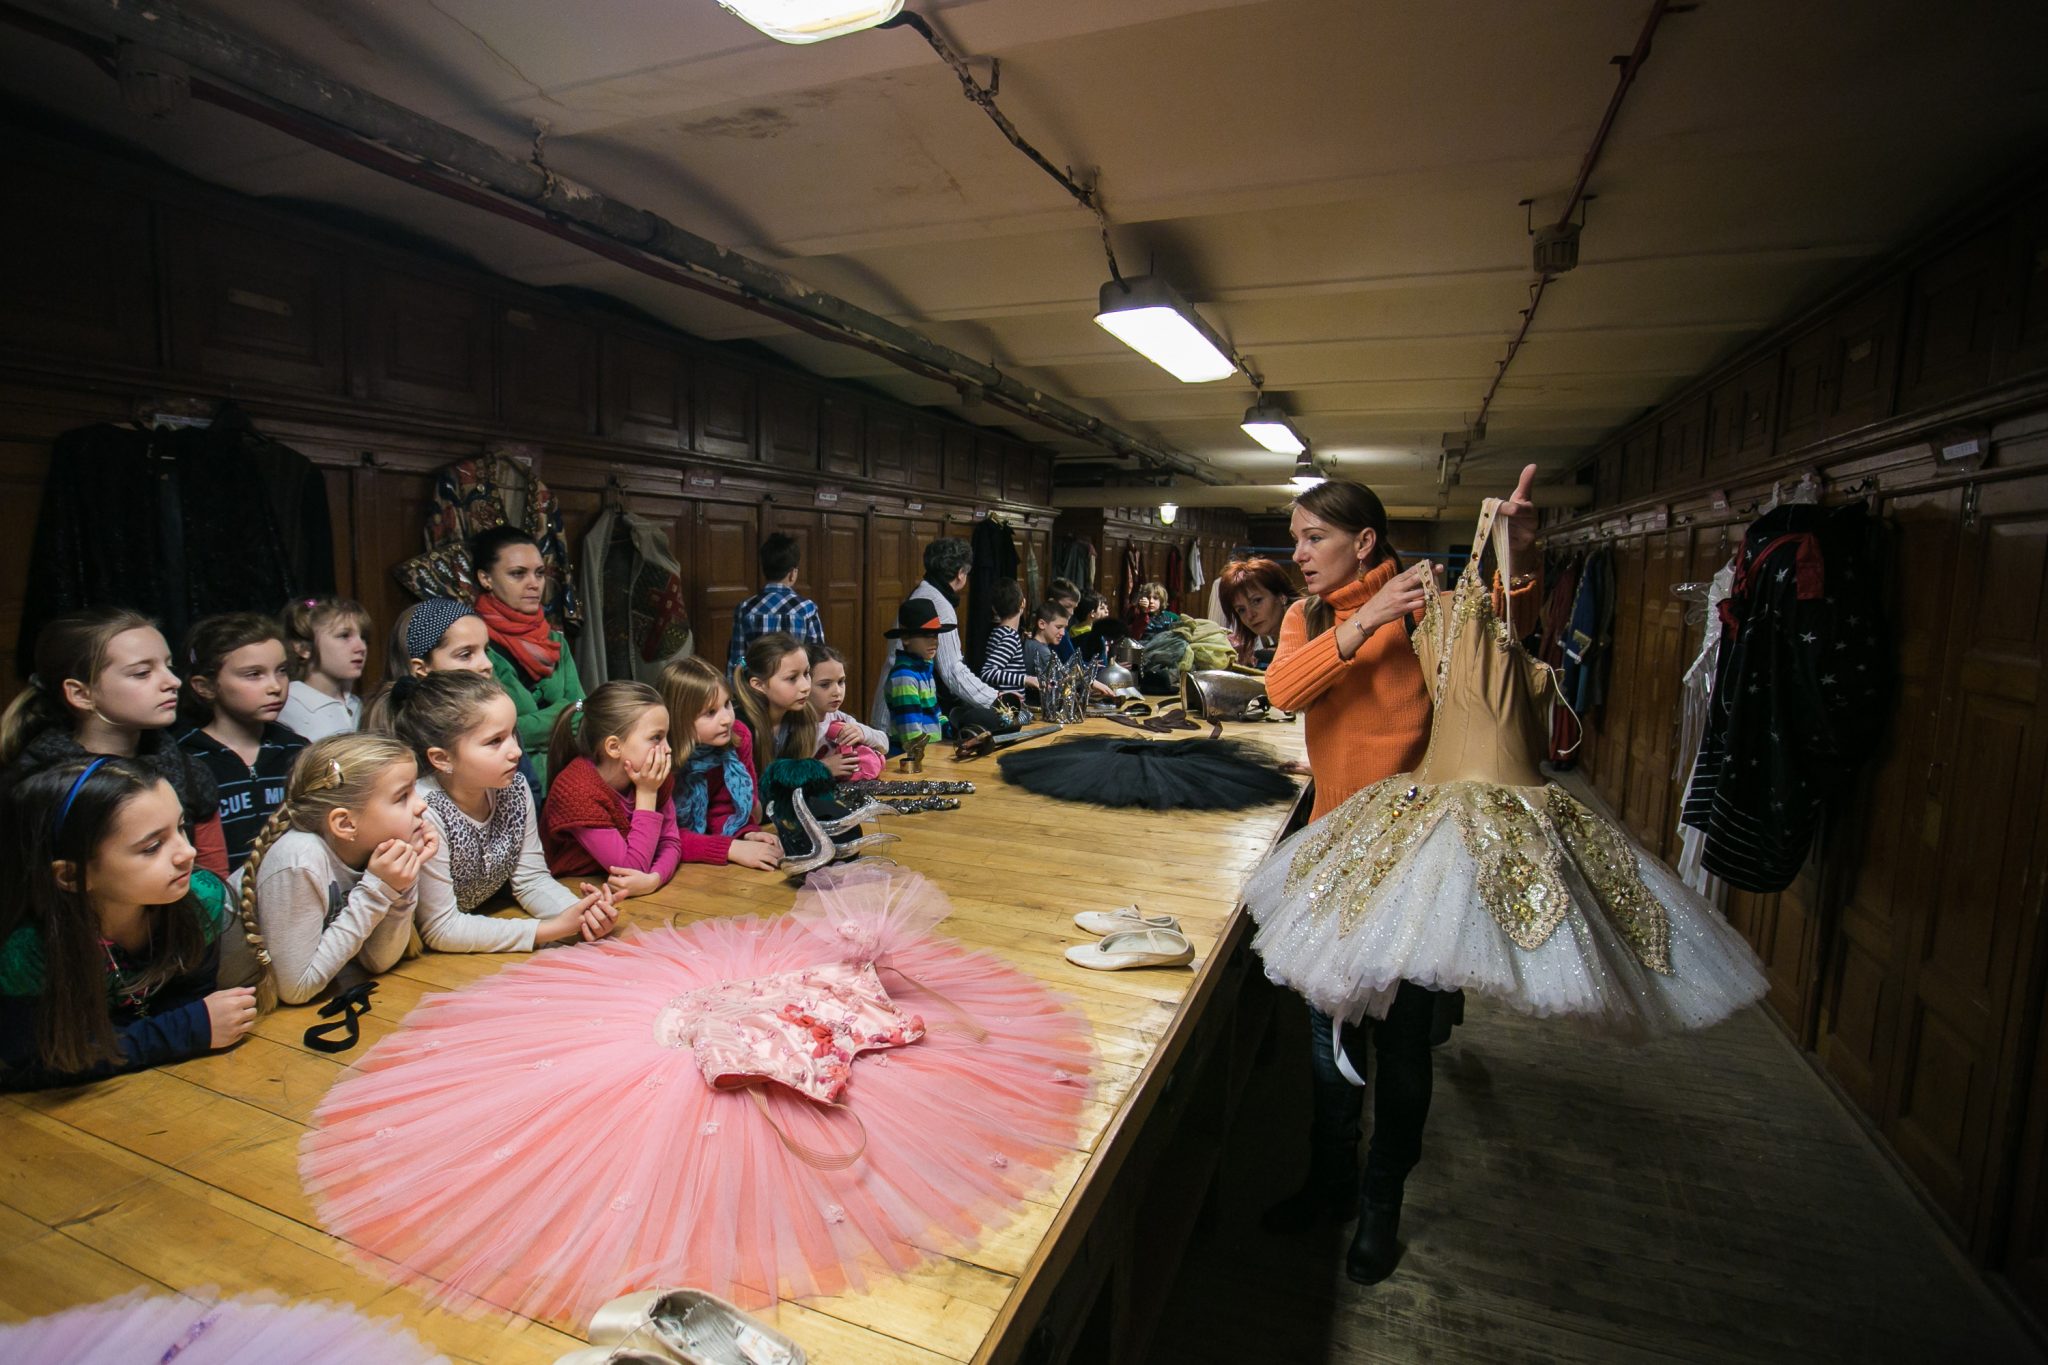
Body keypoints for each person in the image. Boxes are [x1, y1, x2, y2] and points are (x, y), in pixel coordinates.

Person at [1258, 468, 1540, 1285]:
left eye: (1315, 537)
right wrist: (1361, 620)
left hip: (1416, 855)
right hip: (1330, 852)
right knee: (1327, 1036)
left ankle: (1382, 1206)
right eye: (1297, 537)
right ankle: (1330, 1183)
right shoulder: (1307, 617)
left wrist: (1516, 554)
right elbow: (1284, 689)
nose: (1300, 553)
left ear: (1365, 541)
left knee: (1402, 1042)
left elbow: (1509, 636)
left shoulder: (1433, 605)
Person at [0, 756, 256, 1089]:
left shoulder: (199, 899)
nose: (187, 852)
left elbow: (188, 1001)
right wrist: (183, 1031)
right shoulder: (23, 954)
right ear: (72, 875)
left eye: (181, 827)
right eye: (152, 847)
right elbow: (33, 1062)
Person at [390, 671, 617, 952]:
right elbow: (441, 928)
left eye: (513, 734)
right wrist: (550, 929)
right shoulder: (424, 812)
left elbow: (530, 879)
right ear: (442, 758)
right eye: (495, 741)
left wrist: (581, 913)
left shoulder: (514, 788)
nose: (516, 751)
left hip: (479, 929)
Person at [2, 609, 229, 878]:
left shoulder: (190, 774)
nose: (173, 682)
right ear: (81, 694)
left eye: (168, 667)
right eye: (142, 673)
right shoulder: (32, 787)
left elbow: (212, 880)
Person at [233, 734, 433, 1008]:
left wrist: (401, 882)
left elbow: (379, 960)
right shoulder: (300, 859)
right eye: (402, 796)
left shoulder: (372, 848)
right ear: (345, 823)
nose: (421, 805)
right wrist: (378, 891)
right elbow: (296, 988)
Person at [176, 613, 307, 873]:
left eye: (281, 671)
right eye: (254, 674)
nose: (275, 686)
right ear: (205, 686)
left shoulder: (297, 751)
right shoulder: (186, 759)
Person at [540, 681, 684, 900]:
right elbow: (631, 868)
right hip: (569, 893)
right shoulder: (577, 790)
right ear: (614, 747)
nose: (668, 748)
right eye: (656, 737)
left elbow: (671, 842)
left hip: (617, 889)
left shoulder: (651, 776)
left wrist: (655, 879)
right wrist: (646, 795)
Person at [472, 526, 584, 792]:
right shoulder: (476, 648)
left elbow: (583, 709)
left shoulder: (555, 642)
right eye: (517, 574)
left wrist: (524, 726)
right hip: (507, 786)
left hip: (565, 782)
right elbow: (493, 731)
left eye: (539, 573)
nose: (534, 584)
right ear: (486, 578)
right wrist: (564, 712)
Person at [656, 656, 782, 871]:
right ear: (679, 718)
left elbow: (725, 807)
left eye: (727, 704)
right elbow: (663, 838)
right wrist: (730, 848)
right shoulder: (661, 759)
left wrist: (745, 833)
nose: (726, 719)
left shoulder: (737, 737)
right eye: (710, 713)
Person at [867, 538, 998, 734]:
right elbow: (953, 671)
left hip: (894, 711)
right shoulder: (938, 603)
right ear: (960, 574)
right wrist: (996, 699)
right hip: (904, 717)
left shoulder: (925, 592)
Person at [360, 598, 493, 735]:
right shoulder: (421, 737)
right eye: (466, 655)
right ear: (420, 668)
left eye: (486, 650)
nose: (487, 664)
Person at [727, 532, 825, 672]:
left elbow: (738, 657)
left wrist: (745, 675)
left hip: (757, 687)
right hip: (796, 687)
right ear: (792, 573)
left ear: (765, 570)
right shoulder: (807, 608)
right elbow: (817, 656)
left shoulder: (745, 609)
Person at [277, 597, 371, 741]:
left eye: (363, 637)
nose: (361, 647)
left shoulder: (357, 704)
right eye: (344, 636)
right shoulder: (289, 704)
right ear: (303, 648)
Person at [731, 631, 818, 766]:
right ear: (759, 685)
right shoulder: (740, 727)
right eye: (792, 678)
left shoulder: (804, 715)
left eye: (806, 673)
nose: (806, 686)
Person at [807, 643, 886, 782]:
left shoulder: (840, 718)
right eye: (825, 684)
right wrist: (821, 767)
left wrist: (862, 732)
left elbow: (884, 743)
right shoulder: (792, 725)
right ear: (804, 684)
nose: (837, 691)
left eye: (841, 682)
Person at [882, 600, 948, 754]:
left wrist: (947, 728)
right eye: (926, 635)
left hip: (930, 752)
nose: (934, 641)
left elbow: (934, 712)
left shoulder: (924, 669)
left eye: (936, 635)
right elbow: (910, 734)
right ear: (906, 638)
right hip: (911, 757)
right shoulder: (905, 677)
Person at [1216, 558, 1299, 669]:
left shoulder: (1306, 629)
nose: (1250, 615)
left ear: (1281, 596)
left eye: (1257, 601)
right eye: (1241, 610)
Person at [977, 579, 1034, 693]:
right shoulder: (1010, 637)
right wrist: (1026, 679)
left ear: (994, 609)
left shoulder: (998, 632)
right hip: (1008, 707)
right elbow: (988, 672)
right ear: (1023, 603)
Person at [1046, 578, 1083, 662]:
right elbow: (1072, 663)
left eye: (1074, 608)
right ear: (1052, 602)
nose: (1071, 612)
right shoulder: (1059, 633)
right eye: (1067, 606)